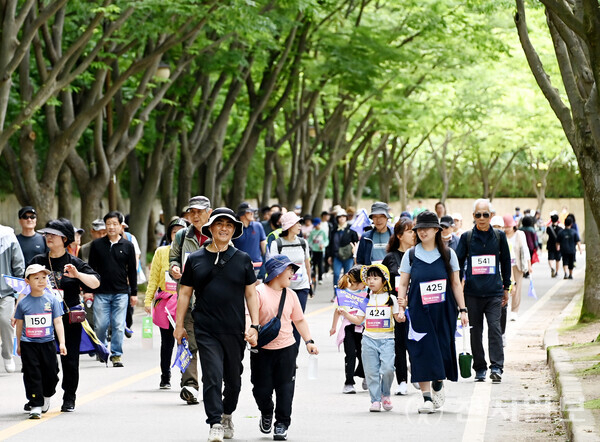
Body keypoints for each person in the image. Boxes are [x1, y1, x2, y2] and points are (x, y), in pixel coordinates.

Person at [174, 207, 260, 442]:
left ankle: (226, 414)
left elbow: (251, 295)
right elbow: (184, 294)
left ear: (234, 230)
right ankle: (214, 422)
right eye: (219, 224)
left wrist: (255, 324)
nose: (224, 228)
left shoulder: (242, 259)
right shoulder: (195, 259)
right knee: (211, 376)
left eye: (229, 225)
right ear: (210, 228)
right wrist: (179, 325)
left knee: (233, 379)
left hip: (234, 329)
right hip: (205, 327)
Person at [397, 211, 468, 414]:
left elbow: (456, 284)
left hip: (444, 311)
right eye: (419, 229)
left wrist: (462, 310)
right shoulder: (410, 255)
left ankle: (439, 381)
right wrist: (401, 308)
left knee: (443, 348)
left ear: (437, 230)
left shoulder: (449, 254)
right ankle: (427, 397)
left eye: (427, 228)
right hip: (419, 312)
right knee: (421, 352)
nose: (423, 232)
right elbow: (403, 284)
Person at [31, 218, 100, 412]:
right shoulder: (38, 261)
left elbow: (95, 282)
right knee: (46, 361)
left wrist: (78, 275)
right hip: (42, 319)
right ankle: (45, 393)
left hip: (68, 318)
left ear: (65, 239)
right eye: (47, 234)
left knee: (70, 360)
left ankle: (69, 396)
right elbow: (24, 285)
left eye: (53, 234)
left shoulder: (74, 263)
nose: (48, 237)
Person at [251, 255, 318, 441]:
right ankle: (266, 412)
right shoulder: (258, 292)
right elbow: (249, 316)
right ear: (276, 272)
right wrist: (250, 333)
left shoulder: (291, 295)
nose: (292, 274)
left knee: (285, 389)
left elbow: (299, 320)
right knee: (260, 389)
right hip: (262, 350)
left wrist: (308, 341)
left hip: (287, 349)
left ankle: (282, 423)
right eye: (289, 270)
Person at [456, 199, 511, 383]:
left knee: (495, 329)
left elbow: (505, 263)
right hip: (472, 294)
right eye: (478, 214)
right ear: (473, 216)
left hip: (494, 292)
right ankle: (479, 368)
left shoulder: (499, 236)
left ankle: (496, 367)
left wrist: (507, 287)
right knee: (475, 331)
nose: (481, 218)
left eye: (485, 214)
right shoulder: (467, 237)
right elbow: (456, 262)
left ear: (491, 216)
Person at [169, 195, 212, 404]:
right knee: (187, 341)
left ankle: (212, 384)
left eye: (199, 211)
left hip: (213, 302)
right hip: (187, 299)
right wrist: (174, 268)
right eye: (192, 212)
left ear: (209, 213)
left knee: (211, 345)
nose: (195, 216)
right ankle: (190, 385)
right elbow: (173, 258)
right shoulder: (182, 236)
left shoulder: (218, 234)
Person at [14, 264, 66, 419]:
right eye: (36, 278)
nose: (41, 281)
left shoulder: (52, 299)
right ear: (27, 281)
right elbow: (19, 324)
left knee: (51, 373)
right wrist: (19, 344)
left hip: (47, 343)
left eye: (44, 277)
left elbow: (58, 322)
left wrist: (62, 343)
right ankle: (35, 403)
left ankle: (46, 394)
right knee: (32, 373)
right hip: (29, 344)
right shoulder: (23, 303)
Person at [88, 211, 137, 367]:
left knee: (118, 324)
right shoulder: (96, 245)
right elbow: (90, 268)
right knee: (100, 325)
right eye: (108, 224)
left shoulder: (128, 246)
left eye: (115, 224)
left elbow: (132, 271)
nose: (111, 227)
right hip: (101, 292)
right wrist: (88, 290)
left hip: (121, 292)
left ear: (121, 226)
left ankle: (116, 355)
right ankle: (102, 349)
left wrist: (134, 293)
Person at [144, 218, 188, 389]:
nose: (177, 235)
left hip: (185, 302)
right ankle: (165, 376)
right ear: (169, 234)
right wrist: (148, 300)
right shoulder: (161, 252)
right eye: (174, 232)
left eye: (181, 232)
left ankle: (187, 377)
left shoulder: (191, 253)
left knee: (186, 341)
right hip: (166, 304)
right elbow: (154, 278)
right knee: (167, 342)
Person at [351, 264, 402, 412]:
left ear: (384, 280)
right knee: (371, 372)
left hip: (387, 339)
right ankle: (375, 400)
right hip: (368, 340)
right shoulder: (365, 298)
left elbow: (398, 319)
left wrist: (401, 316)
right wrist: (345, 314)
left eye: (375, 278)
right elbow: (359, 320)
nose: (371, 281)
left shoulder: (391, 298)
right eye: (369, 278)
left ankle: (385, 394)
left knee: (387, 369)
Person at [381, 217, 415, 395]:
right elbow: (383, 286)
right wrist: (394, 304)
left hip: (416, 306)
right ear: (400, 235)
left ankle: (418, 373)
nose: (414, 234)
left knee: (416, 343)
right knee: (399, 344)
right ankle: (402, 381)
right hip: (397, 309)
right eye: (410, 231)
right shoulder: (390, 258)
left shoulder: (419, 254)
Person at [269, 212, 311, 347]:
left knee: (298, 320)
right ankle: (283, 348)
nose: (300, 226)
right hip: (284, 288)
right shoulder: (277, 244)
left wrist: (309, 283)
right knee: (283, 320)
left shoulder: (303, 243)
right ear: (289, 226)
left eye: (300, 223)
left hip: (301, 287)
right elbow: (273, 266)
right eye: (297, 223)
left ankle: (294, 354)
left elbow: (306, 263)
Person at [330, 266, 367, 394]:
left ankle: (366, 376)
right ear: (357, 282)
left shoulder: (366, 292)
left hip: (363, 327)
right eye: (364, 281)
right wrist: (334, 327)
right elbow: (337, 311)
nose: (367, 284)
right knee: (350, 354)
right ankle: (349, 382)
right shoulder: (342, 293)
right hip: (348, 328)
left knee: (364, 354)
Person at [0, 223, 25, 373]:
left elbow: (18, 263)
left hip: (5, 291)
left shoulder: (7, 234)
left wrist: (19, 291)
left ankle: (7, 354)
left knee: (6, 321)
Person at [502, 215, 531, 322]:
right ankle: (505, 306)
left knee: (517, 288)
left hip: (517, 265)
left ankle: (514, 311)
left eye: (509, 227)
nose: (507, 229)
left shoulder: (520, 234)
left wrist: (529, 264)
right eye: (505, 227)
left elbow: (525, 249)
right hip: (505, 265)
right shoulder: (501, 235)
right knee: (506, 287)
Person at [330, 209, 358, 302]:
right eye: (339, 217)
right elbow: (330, 244)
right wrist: (329, 256)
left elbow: (355, 242)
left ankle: (347, 293)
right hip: (336, 256)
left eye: (343, 217)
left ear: (346, 218)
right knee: (336, 274)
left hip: (348, 256)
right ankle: (336, 293)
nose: (341, 219)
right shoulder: (334, 230)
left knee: (347, 275)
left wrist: (354, 253)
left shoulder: (351, 229)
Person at [233, 202, 267, 279]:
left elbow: (264, 245)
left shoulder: (258, 226)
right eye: (249, 212)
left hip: (257, 267)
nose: (252, 213)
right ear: (242, 214)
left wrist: (266, 263)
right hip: (239, 268)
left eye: (252, 211)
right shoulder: (234, 228)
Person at [308, 218, 328, 286]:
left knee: (320, 265)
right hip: (314, 250)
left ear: (319, 224)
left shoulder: (323, 232)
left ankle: (320, 278)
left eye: (317, 225)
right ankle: (312, 276)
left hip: (321, 250)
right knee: (313, 264)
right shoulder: (312, 232)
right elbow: (309, 240)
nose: (316, 226)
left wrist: (323, 245)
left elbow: (326, 241)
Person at [546, 212, 563, 278]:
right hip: (558, 245)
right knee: (557, 259)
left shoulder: (548, 228)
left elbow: (548, 234)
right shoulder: (560, 229)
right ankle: (557, 271)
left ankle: (552, 267)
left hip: (550, 244)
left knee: (550, 258)